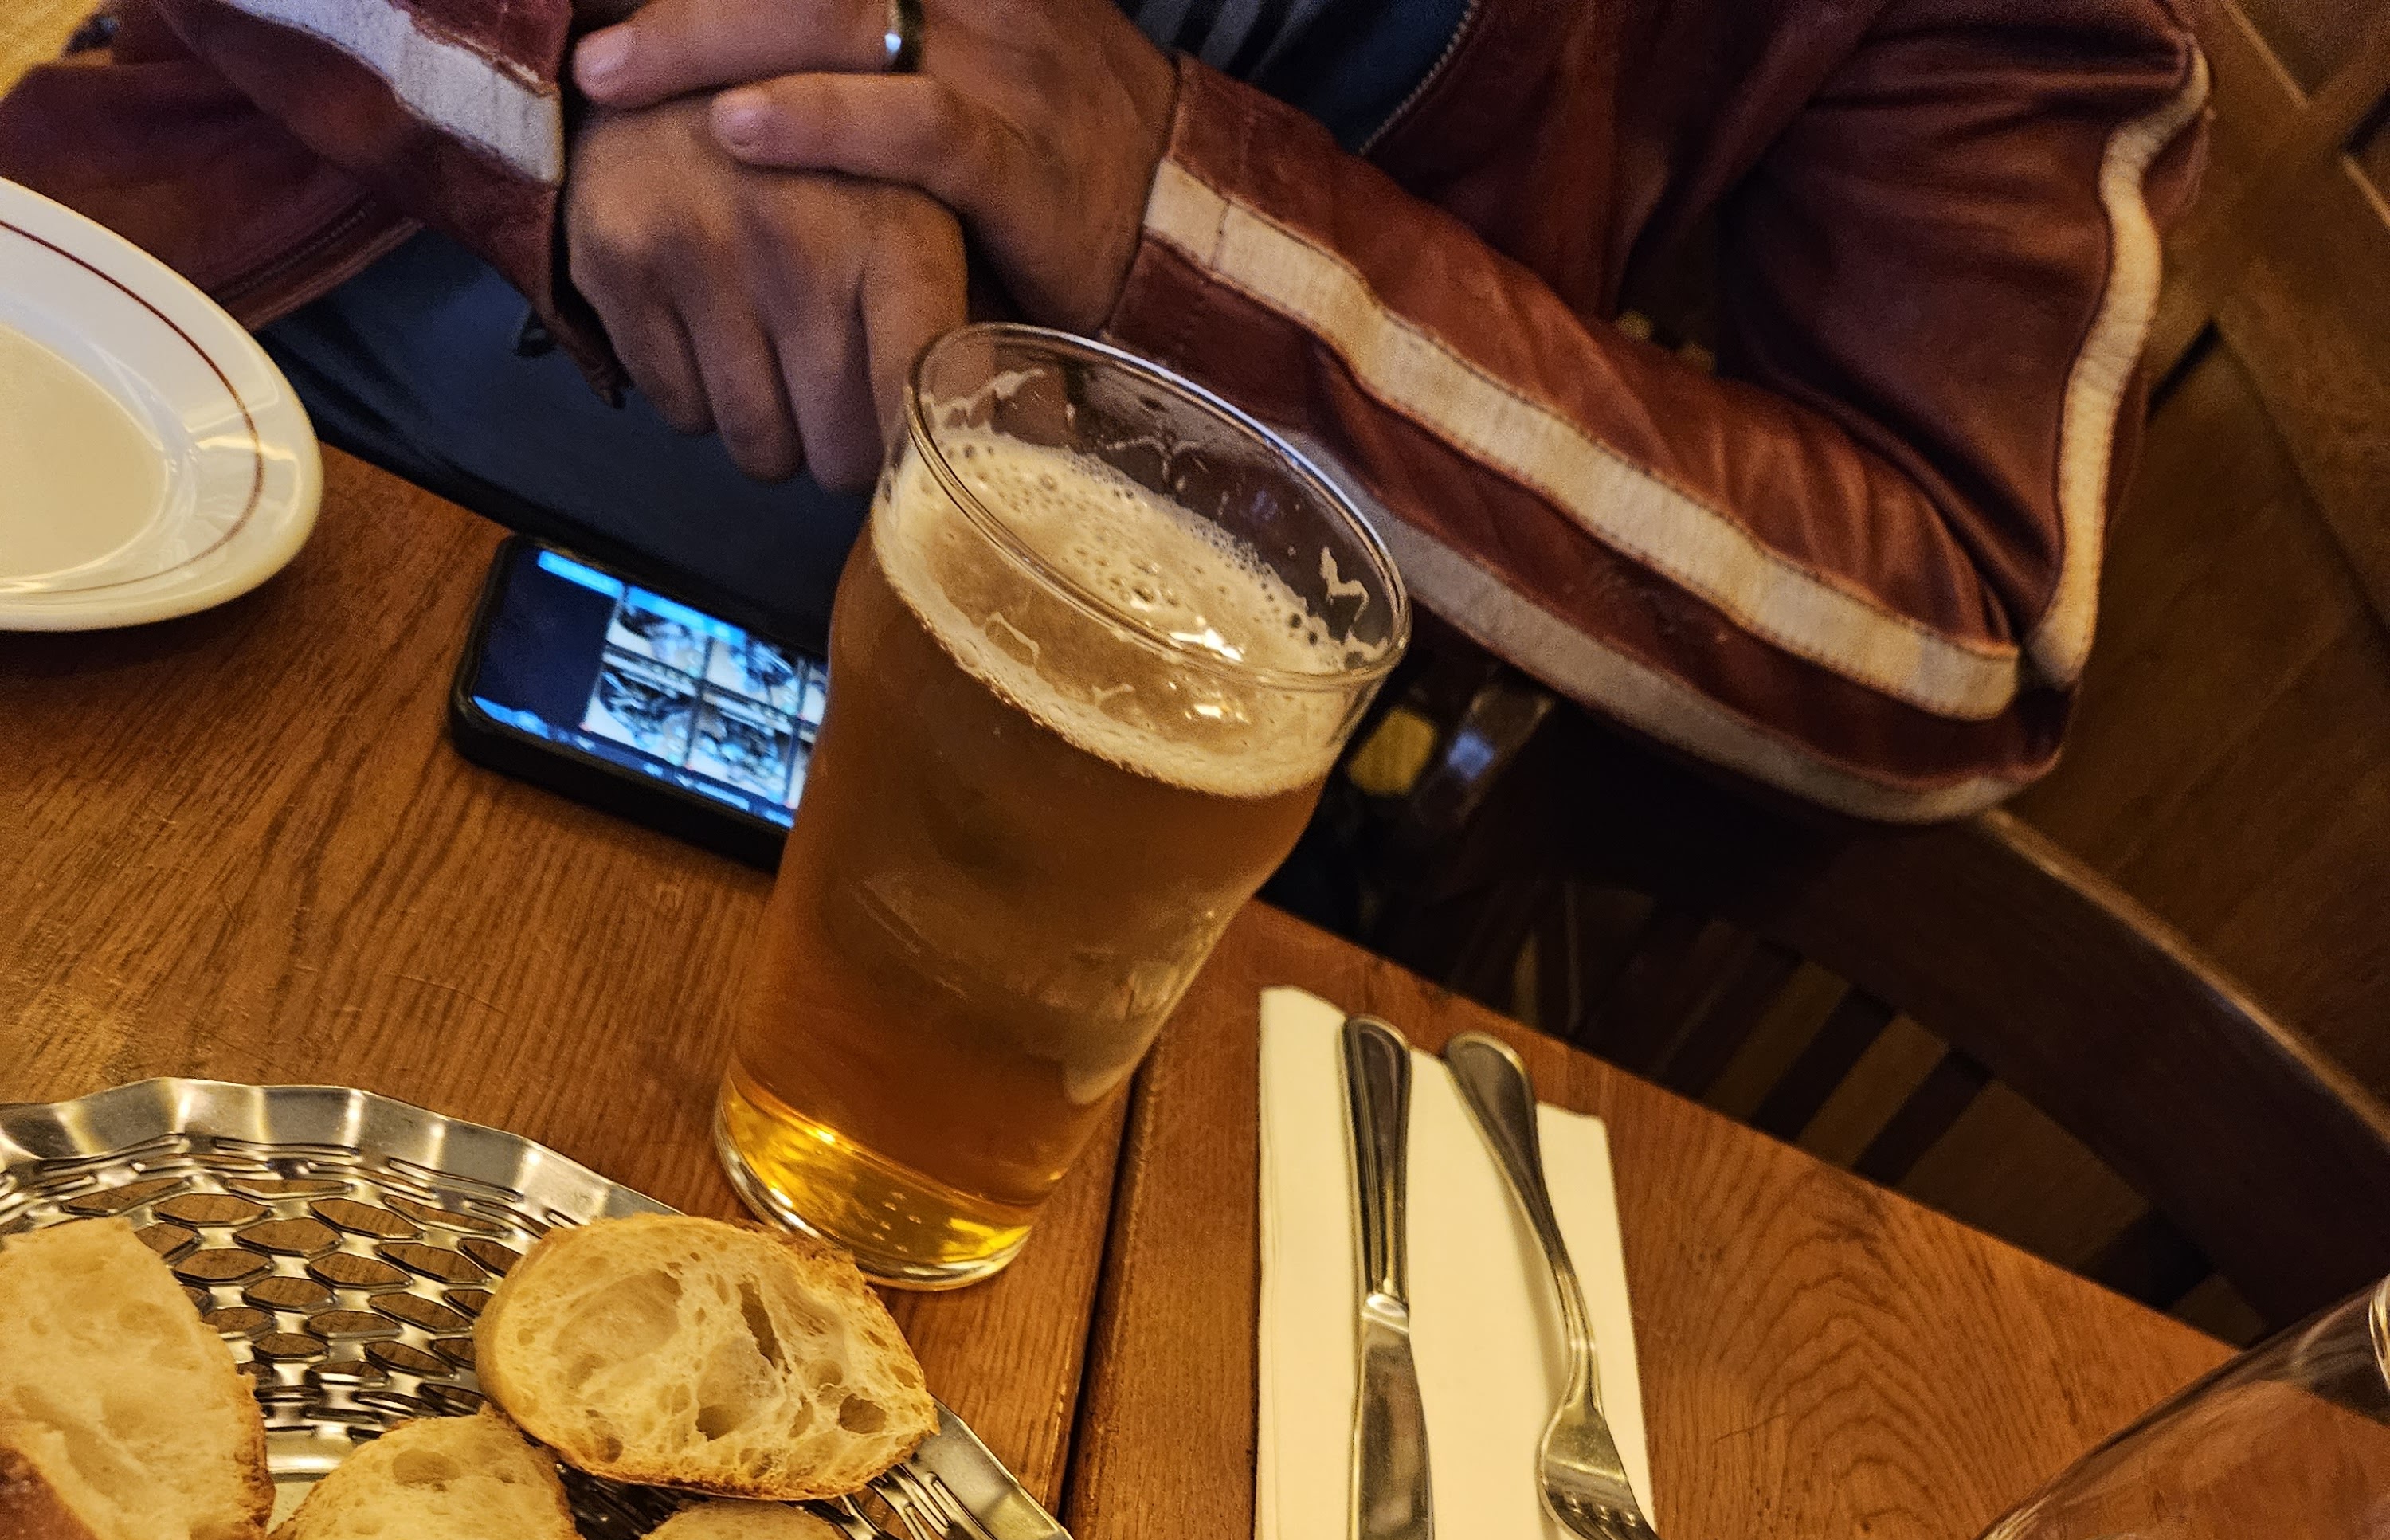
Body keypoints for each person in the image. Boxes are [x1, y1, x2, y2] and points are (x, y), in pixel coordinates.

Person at [0, 0, 2207, 817]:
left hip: (1001, 830)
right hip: (177, 397)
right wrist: (578, 65)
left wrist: (1181, 207)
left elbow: (1960, 632)